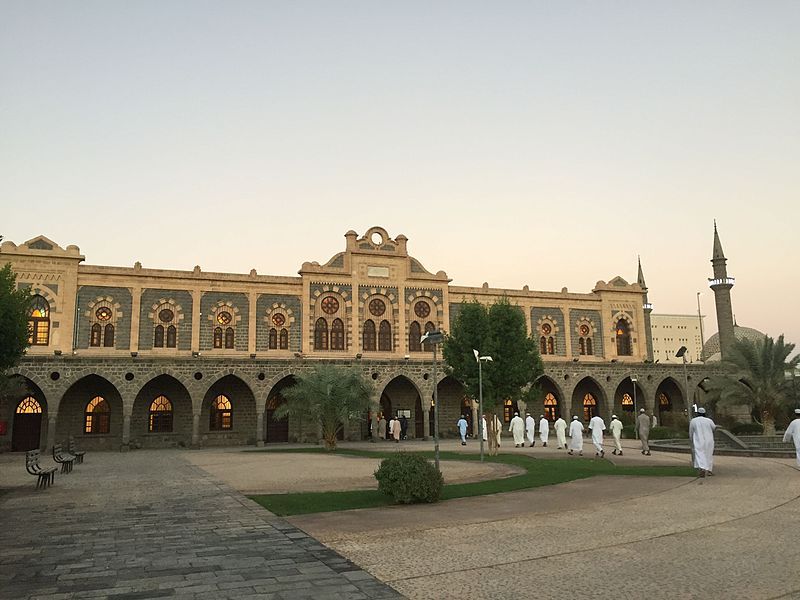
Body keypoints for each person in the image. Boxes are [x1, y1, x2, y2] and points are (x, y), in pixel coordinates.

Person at [689, 407, 716, 477]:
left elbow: (691, 432)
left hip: (698, 440)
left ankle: (702, 469)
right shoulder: (709, 420)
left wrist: (691, 440)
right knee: (709, 454)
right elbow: (714, 428)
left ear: (697, 413)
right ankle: (709, 470)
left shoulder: (693, 421)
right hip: (709, 440)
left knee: (699, 454)